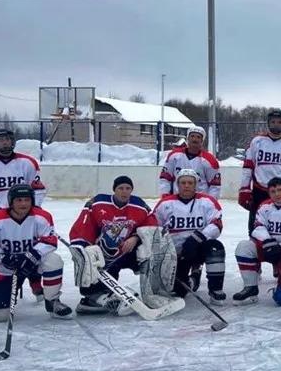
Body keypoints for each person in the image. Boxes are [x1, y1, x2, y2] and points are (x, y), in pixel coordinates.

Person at [0, 128, 48, 300]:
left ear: (12, 141)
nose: (4, 143)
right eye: (0, 140)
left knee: (30, 245)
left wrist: (35, 209)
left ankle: (35, 281)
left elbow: (38, 189)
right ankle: (1, 281)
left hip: (23, 209)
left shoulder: (27, 163)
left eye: (6, 139)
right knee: (0, 247)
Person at [0, 184, 69, 321]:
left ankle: (52, 301)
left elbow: (49, 241)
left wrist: (31, 256)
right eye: (19, 200)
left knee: (53, 260)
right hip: (6, 270)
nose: (23, 204)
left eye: (27, 200)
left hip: (33, 264)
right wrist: (3, 258)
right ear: (10, 202)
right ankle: (7, 293)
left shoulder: (42, 217)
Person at [67, 176, 152, 314]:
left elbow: (151, 223)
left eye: (128, 188)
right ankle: (92, 296)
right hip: (104, 252)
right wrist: (83, 246)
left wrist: (136, 237)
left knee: (147, 250)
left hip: (126, 250)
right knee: (90, 257)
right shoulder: (98, 202)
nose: (124, 192)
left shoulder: (139, 204)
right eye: (121, 188)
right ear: (114, 190)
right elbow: (84, 224)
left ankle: (154, 290)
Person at [150, 169, 227, 302]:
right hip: (175, 253)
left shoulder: (207, 202)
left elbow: (216, 225)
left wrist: (196, 239)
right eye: (183, 182)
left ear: (196, 185)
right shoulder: (165, 204)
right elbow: (153, 227)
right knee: (178, 291)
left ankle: (215, 289)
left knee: (215, 247)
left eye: (190, 183)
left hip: (198, 248)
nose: (186, 185)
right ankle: (193, 279)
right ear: (177, 185)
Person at [233, 176, 281, 307]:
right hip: (271, 247)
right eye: (273, 191)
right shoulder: (264, 206)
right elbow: (258, 227)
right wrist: (268, 242)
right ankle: (251, 288)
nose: (277, 194)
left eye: (280, 190)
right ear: (269, 193)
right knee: (244, 247)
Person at [239, 109, 281, 235]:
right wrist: (244, 188)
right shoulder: (257, 141)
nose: (276, 124)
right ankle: (256, 252)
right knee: (255, 228)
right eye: (273, 122)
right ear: (268, 123)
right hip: (260, 190)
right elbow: (248, 166)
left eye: (279, 122)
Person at [157, 125, 222, 199]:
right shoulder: (174, 156)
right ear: (187, 138)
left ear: (202, 141)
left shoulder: (210, 160)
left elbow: (215, 186)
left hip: (199, 203)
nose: (195, 139)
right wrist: (165, 196)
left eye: (198, 137)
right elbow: (165, 178)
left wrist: (210, 203)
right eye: (192, 136)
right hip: (177, 201)